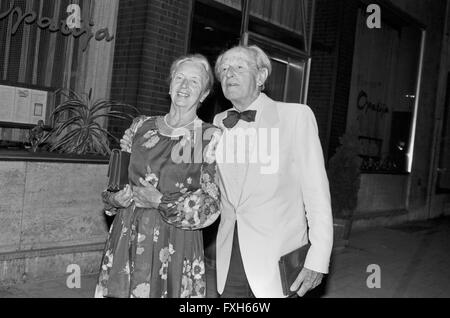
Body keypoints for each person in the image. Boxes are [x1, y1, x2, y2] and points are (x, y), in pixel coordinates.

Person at [95, 54, 222, 298]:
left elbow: (211, 206)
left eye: (194, 81)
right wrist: (115, 199)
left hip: (174, 242)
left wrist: (160, 201)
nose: (184, 86)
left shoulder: (210, 137)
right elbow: (114, 184)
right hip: (126, 236)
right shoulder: (140, 127)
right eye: (180, 78)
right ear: (170, 84)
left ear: (204, 95)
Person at [211, 45, 334, 298]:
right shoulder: (217, 123)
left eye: (239, 67)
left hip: (278, 259)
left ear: (261, 76)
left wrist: (318, 259)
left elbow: (316, 193)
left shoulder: (295, 117)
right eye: (223, 69)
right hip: (230, 255)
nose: (229, 73)